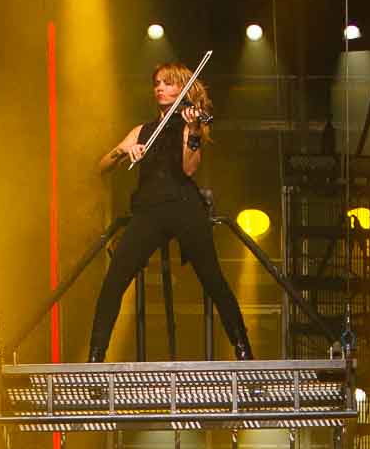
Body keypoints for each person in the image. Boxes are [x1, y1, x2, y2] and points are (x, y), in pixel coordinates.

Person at [88, 63, 254, 363]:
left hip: (183, 206)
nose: (159, 88)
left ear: (182, 89)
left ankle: (243, 348)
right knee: (114, 280)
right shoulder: (142, 131)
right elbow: (102, 166)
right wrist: (124, 151)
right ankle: (96, 355)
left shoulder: (191, 123)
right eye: (156, 83)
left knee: (213, 278)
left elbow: (189, 168)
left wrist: (191, 131)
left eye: (167, 83)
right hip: (148, 210)